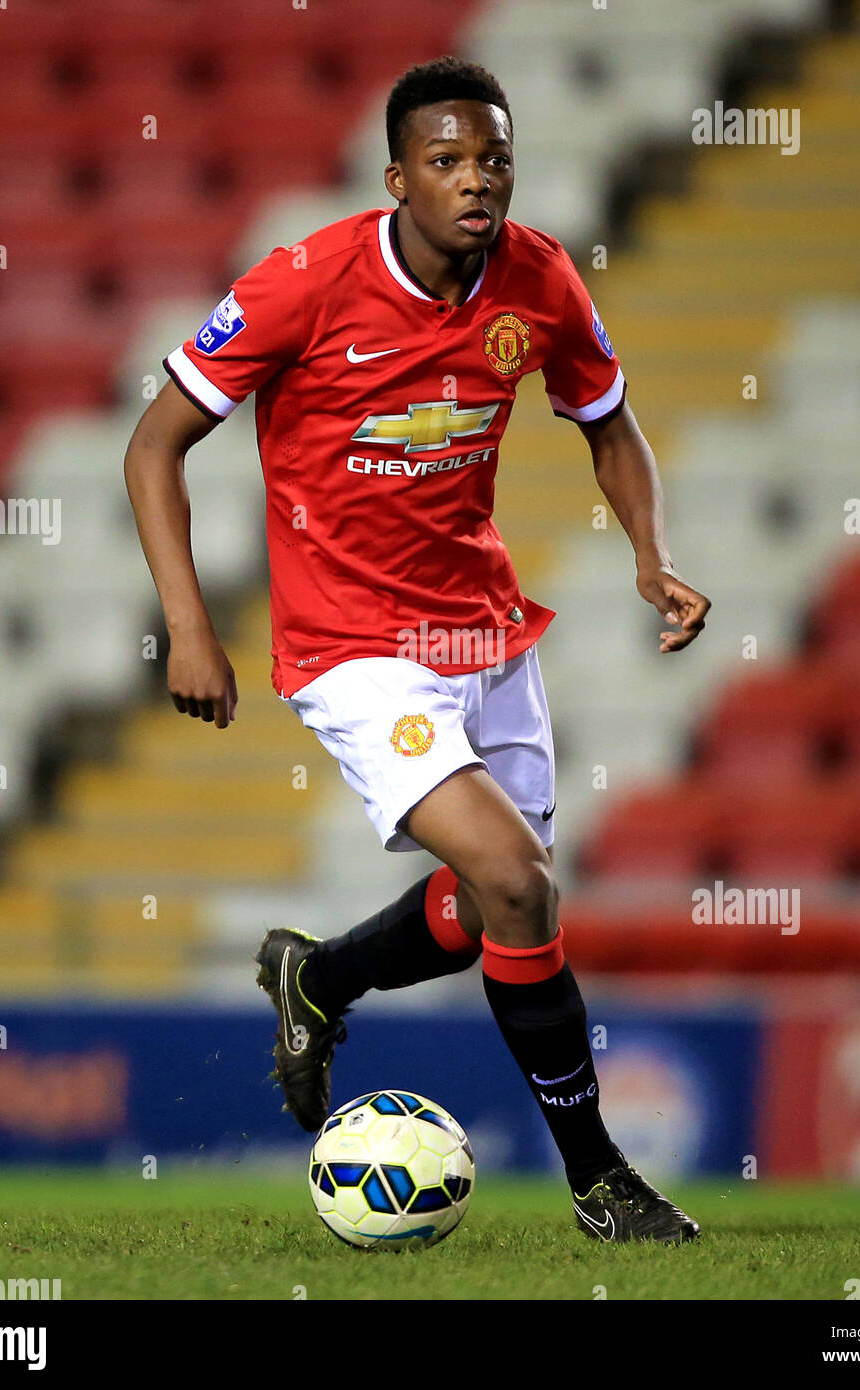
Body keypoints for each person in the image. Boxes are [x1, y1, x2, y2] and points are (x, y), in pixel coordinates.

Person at [125, 56, 710, 1243]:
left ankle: (317, 978)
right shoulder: (302, 281)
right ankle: (601, 1180)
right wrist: (188, 626)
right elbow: (154, 444)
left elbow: (610, 422)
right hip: (353, 643)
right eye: (445, 161)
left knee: (503, 910)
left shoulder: (537, 278)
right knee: (515, 878)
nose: (474, 180)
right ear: (397, 178)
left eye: (492, 157)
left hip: (483, 628)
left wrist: (648, 552)